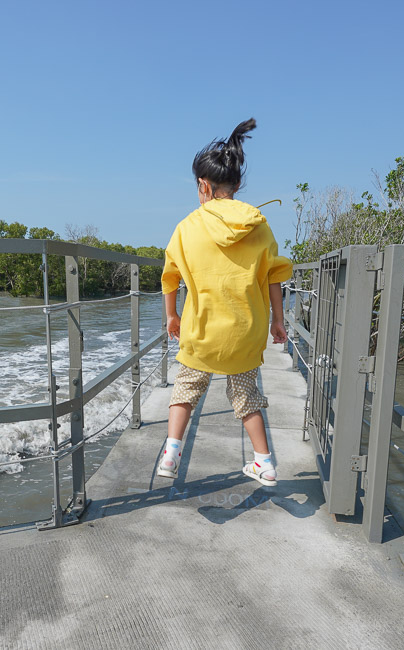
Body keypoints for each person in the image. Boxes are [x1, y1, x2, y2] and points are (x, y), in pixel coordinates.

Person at [157, 118, 292, 486]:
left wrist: (172, 315)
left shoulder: (187, 227)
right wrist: (278, 321)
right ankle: (264, 462)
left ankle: (171, 451)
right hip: (245, 333)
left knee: (186, 388)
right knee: (246, 394)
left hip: (201, 331)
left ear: (203, 186)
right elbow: (274, 276)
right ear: (236, 186)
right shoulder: (258, 226)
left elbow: (170, 275)